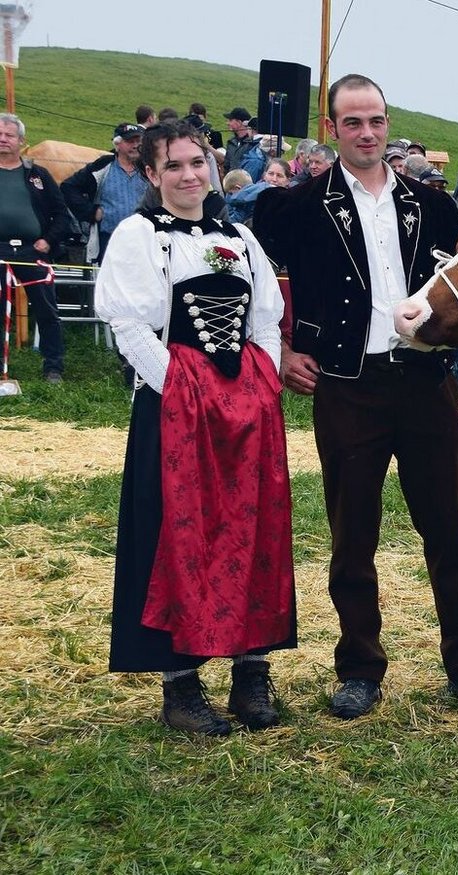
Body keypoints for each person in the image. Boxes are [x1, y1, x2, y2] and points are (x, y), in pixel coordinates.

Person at [254, 72, 458, 721]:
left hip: (426, 383)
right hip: (348, 385)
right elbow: (257, 280)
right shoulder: (299, 205)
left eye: (376, 121)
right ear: (331, 127)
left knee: (448, 529)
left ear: (387, 124)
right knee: (352, 535)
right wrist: (279, 347)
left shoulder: (433, 204)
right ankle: (360, 667)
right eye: (352, 122)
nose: (366, 133)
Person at [94, 121, 295, 736]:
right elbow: (129, 324)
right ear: (152, 176)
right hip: (175, 404)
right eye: (174, 166)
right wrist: (182, 391)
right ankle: (180, 682)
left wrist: (262, 382)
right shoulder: (140, 234)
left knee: (251, 526)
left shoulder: (238, 236)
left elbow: (264, 318)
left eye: (197, 163)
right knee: (176, 533)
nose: (189, 175)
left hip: (245, 406)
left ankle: (250, 670)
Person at [0, 113, 70, 383]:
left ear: (21, 141)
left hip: (32, 251)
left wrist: (48, 240)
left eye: (9, 135)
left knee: (46, 310)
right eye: (0, 133)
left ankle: (54, 367)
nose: (3, 139)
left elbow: (62, 213)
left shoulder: (37, 175)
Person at [62, 123, 148, 263]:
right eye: (130, 141)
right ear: (118, 144)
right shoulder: (103, 167)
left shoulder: (149, 170)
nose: (135, 145)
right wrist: (91, 212)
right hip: (108, 240)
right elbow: (68, 187)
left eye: (138, 141)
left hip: (143, 240)